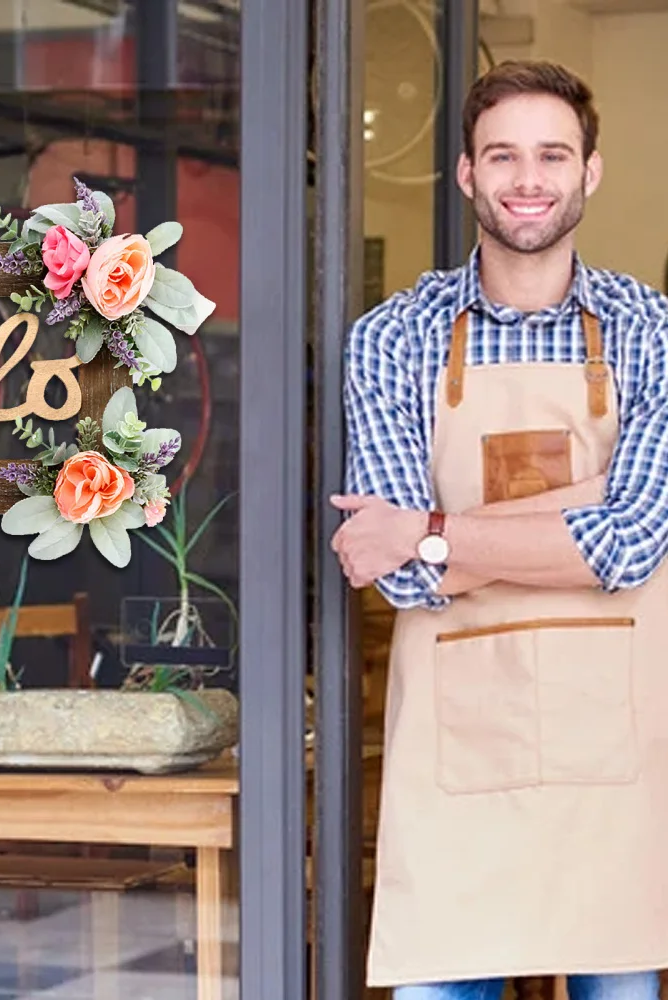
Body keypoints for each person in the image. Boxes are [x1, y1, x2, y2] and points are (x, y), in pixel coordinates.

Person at [330, 60, 668, 1000]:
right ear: (468, 176)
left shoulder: (653, 332)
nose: (530, 178)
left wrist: (428, 530)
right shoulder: (394, 336)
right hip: (456, 757)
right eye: (504, 156)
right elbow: (396, 580)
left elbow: (633, 543)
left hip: (615, 765)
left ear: (590, 171)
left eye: (553, 154)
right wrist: (583, 505)